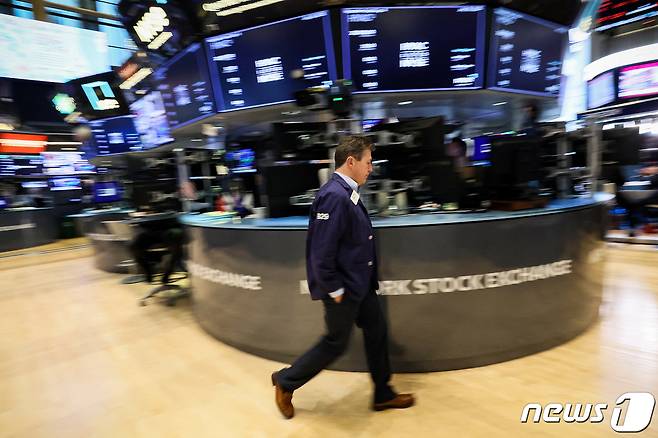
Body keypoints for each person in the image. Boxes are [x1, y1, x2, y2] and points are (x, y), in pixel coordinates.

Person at [271, 136, 415, 419]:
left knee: (377, 331)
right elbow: (321, 252)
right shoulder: (334, 196)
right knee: (335, 342)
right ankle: (285, 381)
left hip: (359, 285)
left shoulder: (346, 191)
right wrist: (334, 288)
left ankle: (382, 394)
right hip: (343, 288)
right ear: (351, 161)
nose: (371, 168)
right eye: (368, 162)